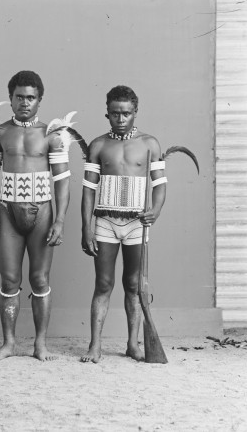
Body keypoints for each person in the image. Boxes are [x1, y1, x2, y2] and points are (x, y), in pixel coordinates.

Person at [0, 70, 72, 361]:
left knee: (40, 279)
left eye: (31, 97)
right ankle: (9, 343)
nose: (25, 103)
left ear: (40, 100)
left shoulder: (52, 136)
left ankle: (40, 345)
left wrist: (60, 220)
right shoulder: (0, 133)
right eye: (19, 97)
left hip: (42, 212)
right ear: (11, 99)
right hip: (9, 214)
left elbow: (63, 180)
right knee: (9, 280)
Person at [80, 85, 167, 363]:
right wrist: (87, 227)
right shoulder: (98, 145)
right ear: (107, 113)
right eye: (115, 113)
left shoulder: (150, 144)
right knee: (103, 284)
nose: (121, 119)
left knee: (133, 284)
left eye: (126, 113)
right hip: (105, 220)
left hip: (137, 223)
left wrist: (155, 210)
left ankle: (132, 344)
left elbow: (160, 185)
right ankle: (95, 346)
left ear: (135, 112)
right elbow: (88, 190)